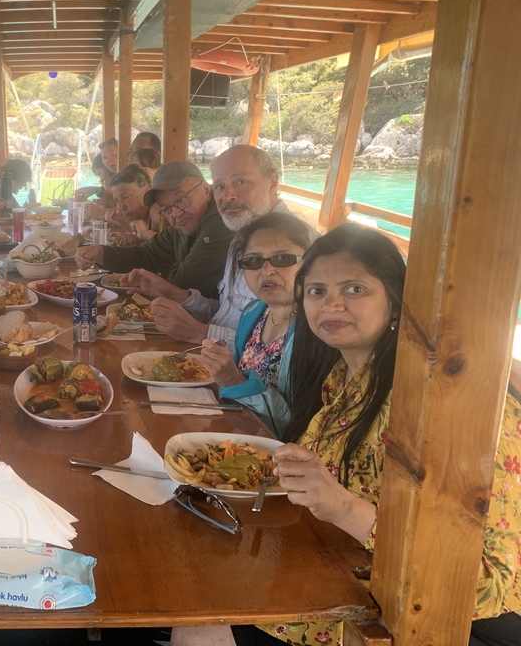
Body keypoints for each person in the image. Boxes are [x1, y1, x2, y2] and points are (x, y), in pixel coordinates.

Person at [196, 223, 520, 646]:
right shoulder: (340, 378)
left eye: (354, 289)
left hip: (416, 623)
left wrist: (346, 508)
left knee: (202, 612)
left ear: (396, 300)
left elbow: (492, 585)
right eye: (316, 291)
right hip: (335, 573)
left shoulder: (453, 408)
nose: (330, 304)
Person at [127, 145, 315, 349]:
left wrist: (200, 333)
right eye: (220, 186)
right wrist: (172, 293)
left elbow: (284, 349)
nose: (228, 196)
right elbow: (228, 313)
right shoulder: (240, 236)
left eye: (240, 182)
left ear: (272, 182)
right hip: (209, 359)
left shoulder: (297, 246)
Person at [196, 213, 311, 437]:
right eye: (254, 261)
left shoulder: (314, 331)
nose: (267, 271)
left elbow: (299, 426)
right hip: (237, 432)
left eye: (283, 258)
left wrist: (235, 381)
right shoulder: (253, 313)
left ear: (309, 263)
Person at [75, 160, 234, 299]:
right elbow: (146, 255)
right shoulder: (182, 222)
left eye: (181, 200)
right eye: (166, 209)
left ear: (206, 190)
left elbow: (185, 281)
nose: (176, 214)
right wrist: (99, 253)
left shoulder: (221, 220)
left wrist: (152, 282)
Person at [104, 165, 163, 246]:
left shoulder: (156, 211)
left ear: (146, 190)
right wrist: (134, 238)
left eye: (125, 197)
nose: (121, 207)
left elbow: (173, 244)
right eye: (117, 201)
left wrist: (147, 234)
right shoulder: (142, 214)